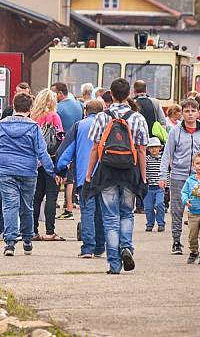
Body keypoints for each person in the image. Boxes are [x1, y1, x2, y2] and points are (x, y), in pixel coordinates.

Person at [85, 78, 148, 274]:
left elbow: (95, 148)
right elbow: (142, 150)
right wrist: (143, 177)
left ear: (110, 95)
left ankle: (114, 263)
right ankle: (126, 247)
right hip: (130, 172)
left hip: (107, 172)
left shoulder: (103, 117)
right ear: (128, 94)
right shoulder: (137, 118)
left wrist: (89, 174)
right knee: (127, 213)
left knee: (110, 217)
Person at [0, 92, 57, 256]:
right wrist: (52, 171)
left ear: (13, 106)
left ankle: (10, 243)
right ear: (30, 108)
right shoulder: (34, 128)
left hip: (6, 170)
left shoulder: (1, 126)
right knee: (26, 207)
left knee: (9, 206)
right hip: (28, 172)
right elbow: (42, 153)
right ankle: (27, 239)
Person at [159, 98, 200, 255]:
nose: (190, 114)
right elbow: (167, 154)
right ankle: (176, 241)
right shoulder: (175, 132)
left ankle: (198, 241)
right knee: (177, 209)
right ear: (182, 113)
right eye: (187, 111)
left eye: (193, 111)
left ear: (197, 113)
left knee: (199, 209)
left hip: (198, 177)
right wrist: (163, 175)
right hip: (179, 175)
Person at [57, 99, 105, 257]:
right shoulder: (109, 124)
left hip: (85, 175)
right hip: (107, 175)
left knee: (87, 211)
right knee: (102, 212)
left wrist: (60, 169)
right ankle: (100, 247)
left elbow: (66, 151)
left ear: (86, 110)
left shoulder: (79, 125)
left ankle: (88, 248)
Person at [30, 89, 64, 241]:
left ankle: (33, 230)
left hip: (35, 162)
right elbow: (60, 139)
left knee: (36, 197)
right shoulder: (54, 117)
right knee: (51, 197)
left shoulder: (33, 117)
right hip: (50, 160)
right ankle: (50, 231)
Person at [52, 82, 83, 219]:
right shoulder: (78, 105)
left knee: (60, 176)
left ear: (60, 93)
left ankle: (60, 208)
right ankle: (69, 207)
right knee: (70, 178)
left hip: (62, 144)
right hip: (76, 143)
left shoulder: (58, 108)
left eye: (54, 93)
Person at [144, 137, 166, 232]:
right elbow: (143, 169)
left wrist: (167, 186)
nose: (154, 149)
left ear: (160, 148)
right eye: (151, 147)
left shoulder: (163, 159)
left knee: (160, 204)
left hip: (160, 187)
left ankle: (161, 223)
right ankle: (150, 223)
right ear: (148, 149)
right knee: (148, 207)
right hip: (149, 188)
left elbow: (166, 173)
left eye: (156, 147)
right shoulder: (147, 159)